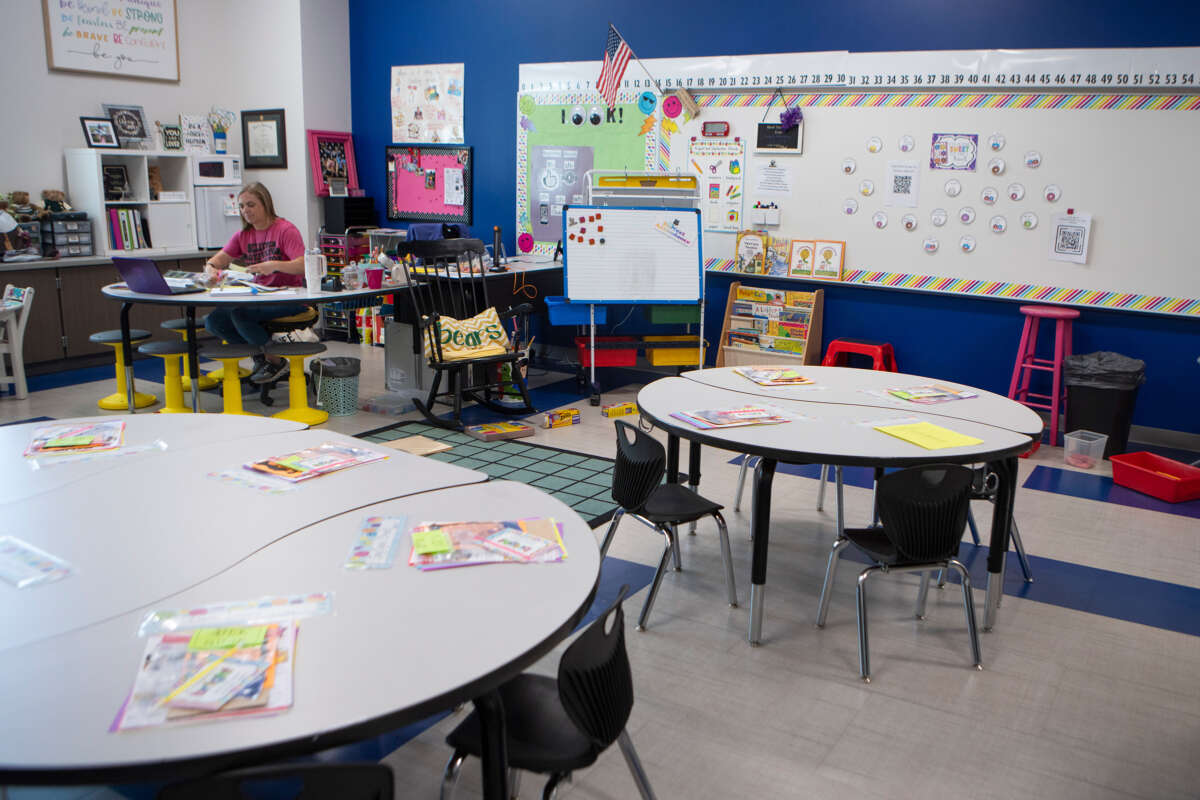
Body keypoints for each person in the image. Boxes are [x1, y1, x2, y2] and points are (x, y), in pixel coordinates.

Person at [203, 182, 311, 384]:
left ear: (265, 204)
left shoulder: (285, 230)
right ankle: (261, 358)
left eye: (251, 205)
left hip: (290, 297)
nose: (246, 211)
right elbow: (217, 260)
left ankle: (275, 361)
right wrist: (211, 269)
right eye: (242, 206)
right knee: (213, 321)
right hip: (259, 295)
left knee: (240, 313)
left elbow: (304, 265)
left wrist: (275, 265)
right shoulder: (243, 235)